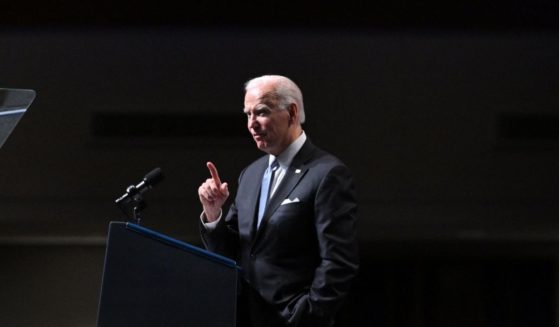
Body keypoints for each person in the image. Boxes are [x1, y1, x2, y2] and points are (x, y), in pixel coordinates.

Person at [197, 75, 359, 327]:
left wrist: (306, 316)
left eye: (261, 112)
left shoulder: (327, 174)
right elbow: (230, 254)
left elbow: (338, 263)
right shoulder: (250, 175)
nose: (252, 124)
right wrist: (213, 213)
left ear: (292, 113)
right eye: (247, 114)